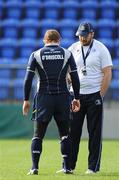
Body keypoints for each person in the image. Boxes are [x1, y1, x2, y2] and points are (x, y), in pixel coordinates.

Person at [22, 29, 80, 175]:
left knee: (38, 134)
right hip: (62, 98)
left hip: (44, 98)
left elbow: (28, 80)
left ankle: (34, 167)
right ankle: (67, 167)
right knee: (65, 134)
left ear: (44, 40)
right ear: (59, 40)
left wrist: (25, 100)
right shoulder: (67, 53)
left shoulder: (36, 54)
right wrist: (76, 98)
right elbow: (75, 77)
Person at [68, 22, 113, 174]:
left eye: (85, 34)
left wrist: (100, 95)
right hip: (76, 96)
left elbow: (107, 73)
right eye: (80, 34)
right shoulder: (73, 48)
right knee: (72, 132)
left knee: (94, 133)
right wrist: (69, 81)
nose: (82, 37)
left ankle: (92, 167)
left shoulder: (101, 48)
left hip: (94, 95)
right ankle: (69, 166)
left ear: (92, 33)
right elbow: (66, 69)